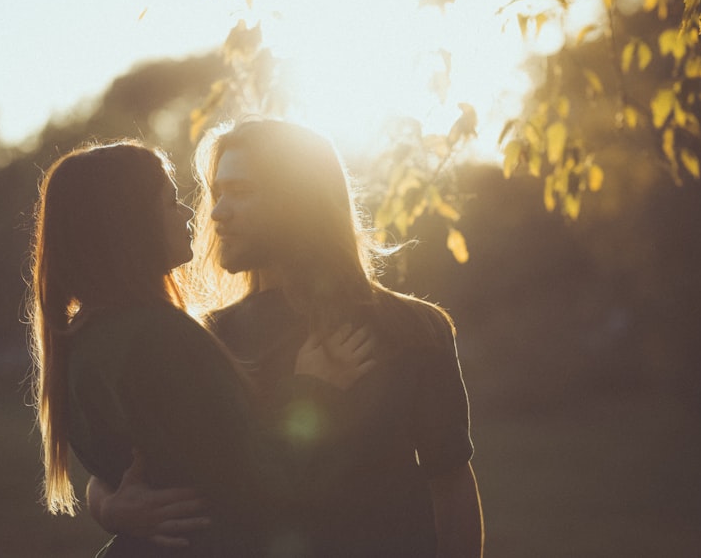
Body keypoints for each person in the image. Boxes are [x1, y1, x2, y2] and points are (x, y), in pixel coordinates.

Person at [91, 120, 484, 557]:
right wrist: (111, 508)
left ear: (300, 201)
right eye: (217, 193)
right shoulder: (203, 340)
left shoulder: (413, 330)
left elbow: (451, 485)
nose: (217, 211)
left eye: (240, 191)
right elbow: (125, 471)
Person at [27, 140, 375, 557]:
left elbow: (151, 467)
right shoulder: (162, 339)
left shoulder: (79, 338)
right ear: (132, 225)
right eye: (171, 203)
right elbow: (257, 483)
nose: (195, 214)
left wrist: (109, 506)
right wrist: (313, 388)